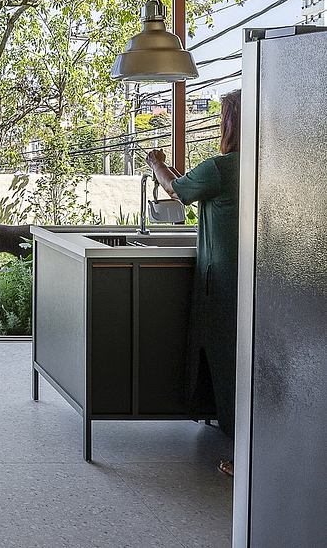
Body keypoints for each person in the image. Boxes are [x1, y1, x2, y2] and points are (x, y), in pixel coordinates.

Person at [145, 89, 241, 477]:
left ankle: (243, 455)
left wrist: (155, 163)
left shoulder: (221, 168)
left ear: (230, 123)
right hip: (260, 279)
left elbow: (177, 190)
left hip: (224, 281)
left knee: (231, 362)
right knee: (251, 364)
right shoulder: (265, 165)